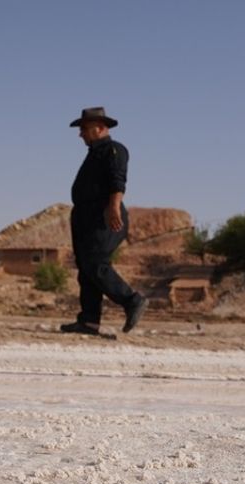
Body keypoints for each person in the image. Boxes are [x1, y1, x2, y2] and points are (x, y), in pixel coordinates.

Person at [60, 107, 147, 336]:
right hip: (86, 218)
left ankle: (132, 300)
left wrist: (114, 206)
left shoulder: (114, 150)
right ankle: (89, 322)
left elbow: (118, 180)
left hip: (105, 215)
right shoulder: (93, 153)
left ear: (100, 128)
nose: (81, 135)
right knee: (86, 267)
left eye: (84, 129)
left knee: (96, 263)